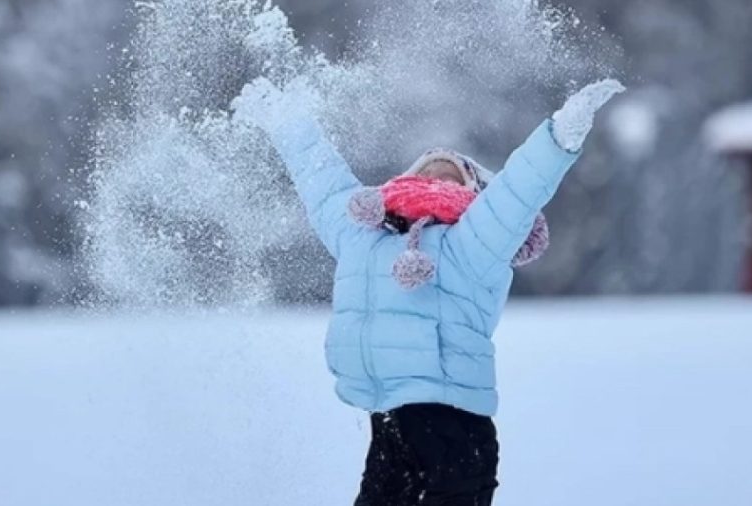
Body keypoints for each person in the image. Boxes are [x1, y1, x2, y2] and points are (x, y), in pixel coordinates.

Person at [232, 76, 624, 506]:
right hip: (389, 424)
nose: (438, 172)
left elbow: (518, 191)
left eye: (453, 174)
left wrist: (559, 136)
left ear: (474, 195)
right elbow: (322, 182)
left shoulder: (474, 242)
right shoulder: (362, 236)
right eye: (426, 168)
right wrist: (287, 122)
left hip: (454, 429)